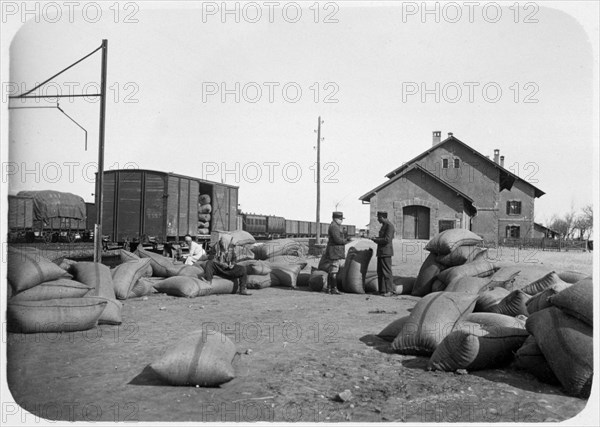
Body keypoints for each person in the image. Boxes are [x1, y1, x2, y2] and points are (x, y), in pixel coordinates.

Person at [321, 211, 351, 295]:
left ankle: (329, 288)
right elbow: (337, 240)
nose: (341, 221)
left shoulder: (334, 226)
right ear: (336, 219)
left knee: (332, 270)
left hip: (333, 250)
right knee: (334, 269)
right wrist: (346, 241)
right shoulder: (334, 227)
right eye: (341, 219)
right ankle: (334, 289)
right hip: (335, 251)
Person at [371, 211, 395, 297]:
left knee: (387, 272)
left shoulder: (389, 226)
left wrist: (376, 240)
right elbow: (383, 238)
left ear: (382, 217)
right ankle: (382, 290)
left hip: (386, 252)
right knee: (380, 272)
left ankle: (389, 290)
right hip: (381, 252)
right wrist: (376, 238)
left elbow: (387, 240)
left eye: (379, 218)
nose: (378, 219)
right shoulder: (384, 226)